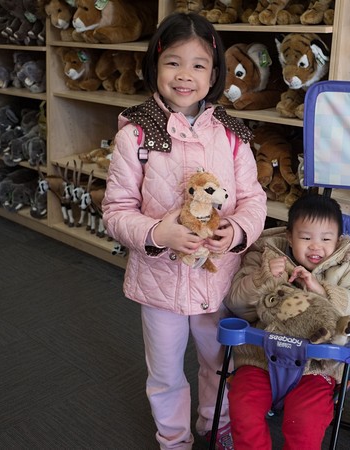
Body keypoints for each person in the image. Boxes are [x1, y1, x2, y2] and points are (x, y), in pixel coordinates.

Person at [102, 12, 267, 450]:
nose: (184, 76)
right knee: (165, 371)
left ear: (214, 73)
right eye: (173, 62)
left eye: (198, 65)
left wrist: (235, 232)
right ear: (155, 65)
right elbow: (116, 210)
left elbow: (254, 200)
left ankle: (217, 426)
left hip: (219, 278)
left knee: (220, 363)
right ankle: (173, 439)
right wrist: (159, 232)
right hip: (160, 285)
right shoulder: (135, 132)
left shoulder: (231, 133)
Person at [224, 194, 350, 450]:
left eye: (326, 239)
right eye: (306, 238)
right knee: (243, 410)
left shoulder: (346, 265)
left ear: (337, 240)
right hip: (258, 358)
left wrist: (322, 290)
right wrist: (261, 279)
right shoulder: (264, 256)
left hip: (316, 367)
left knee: (306, 424)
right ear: (289, 237)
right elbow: (235, 302)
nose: (316, 247)